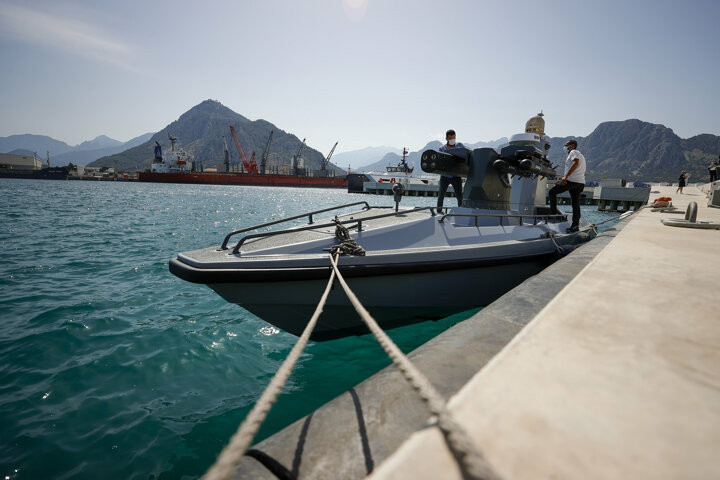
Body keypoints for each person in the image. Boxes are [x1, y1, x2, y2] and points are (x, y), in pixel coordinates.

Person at [549, 139, 586, 233]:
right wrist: (563, 179)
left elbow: (575, 163)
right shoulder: (580, 154)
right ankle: (575, 226)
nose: (564, 147)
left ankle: (553, 215)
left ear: (572, 146)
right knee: (575, 205)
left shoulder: (574, 152)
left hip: (572, 181)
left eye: (566, 145)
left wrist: (565, 177)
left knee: (552, 192)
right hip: (580, 182)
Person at [437, 129, 464, 210]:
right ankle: (438, 211)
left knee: (459, 196)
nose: (453, 140)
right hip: (444, 176)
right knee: (441, 195)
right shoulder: (442, 148)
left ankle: (461, 212)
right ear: (446, 139)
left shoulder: (460, 145)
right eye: (451, 138)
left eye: (454, 138)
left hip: (456, 175)